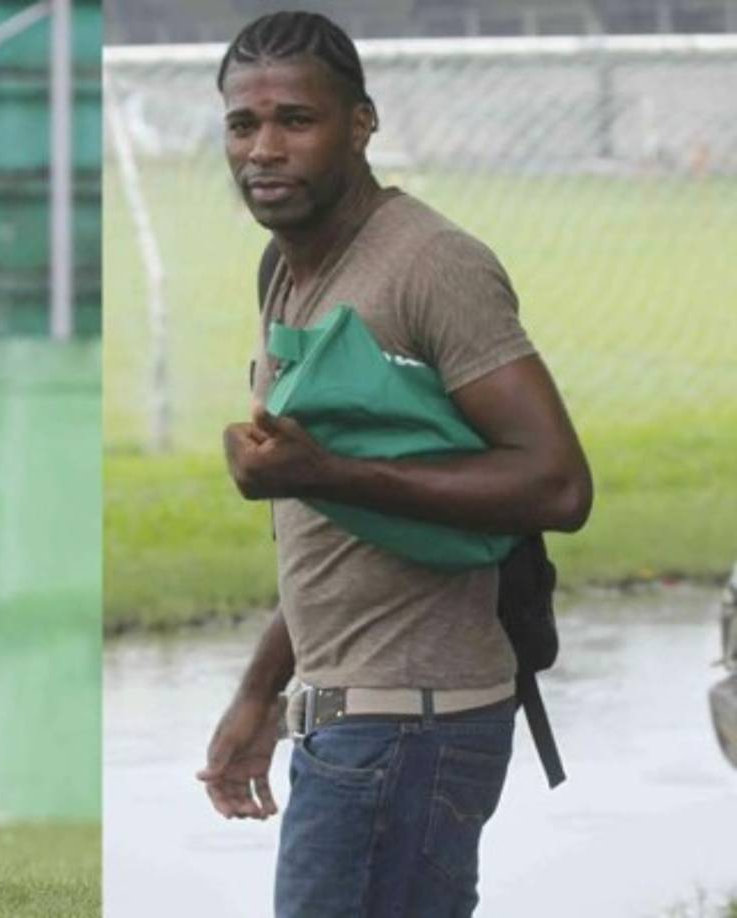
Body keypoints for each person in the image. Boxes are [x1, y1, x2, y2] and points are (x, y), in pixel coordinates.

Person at [196, 11, 592, 918]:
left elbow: (559, 484)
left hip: (416, 724)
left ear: (361, 124)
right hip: (347, 717)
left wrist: (319, 471)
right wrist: (261, 694)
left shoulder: (432, 264)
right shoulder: (283, 268)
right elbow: (333, 523)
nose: (264, 149)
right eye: (243, 124)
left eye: (297, 120)